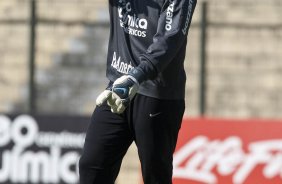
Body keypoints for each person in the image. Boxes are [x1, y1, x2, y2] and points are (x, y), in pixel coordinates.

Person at [79, 0, 197, 183]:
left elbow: (170, 38)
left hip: (157, 95)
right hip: (117, 88)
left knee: (155, 176)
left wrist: (137, 76)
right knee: (91, 166)